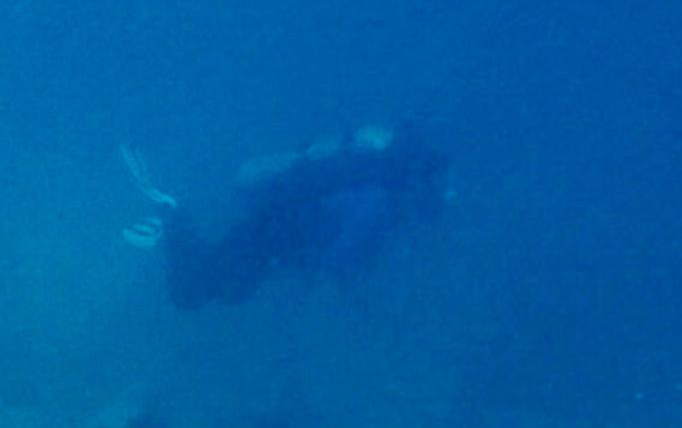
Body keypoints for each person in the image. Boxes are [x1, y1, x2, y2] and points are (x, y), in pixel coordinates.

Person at [125, 125, 446, 309]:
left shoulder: (373, 187)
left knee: (219, 290)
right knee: (192, 293)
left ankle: (175, 215)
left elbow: (333, 238)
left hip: (272, 234)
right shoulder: (376, 198)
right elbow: (341, 254)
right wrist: (335, 289)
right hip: (271, 234)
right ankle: (172, 211)